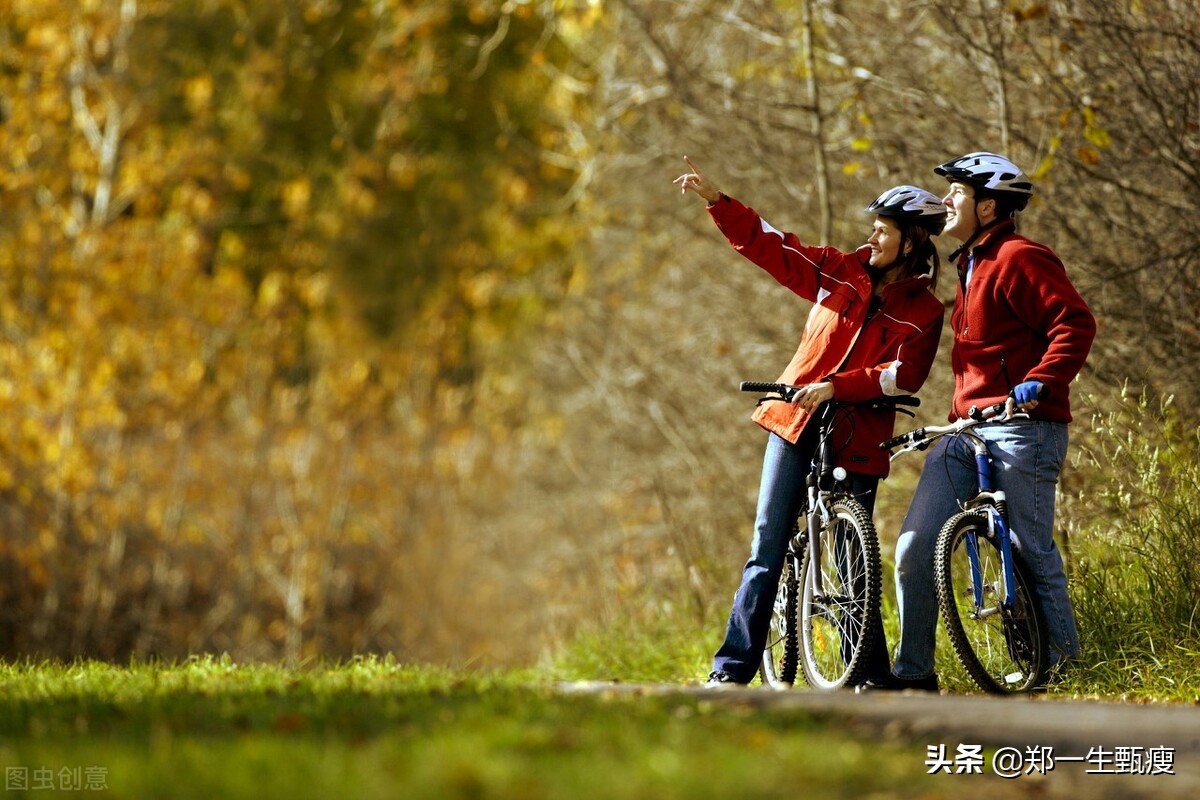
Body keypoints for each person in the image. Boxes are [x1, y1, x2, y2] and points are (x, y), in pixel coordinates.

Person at [674, 156, 946, 687]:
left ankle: (868, 673)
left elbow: (904, 376)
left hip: (858, 435)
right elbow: (774, 248)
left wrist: (838, 386)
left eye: (883, 231)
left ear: (911, 241)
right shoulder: (839, 272)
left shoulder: (926, 312)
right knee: (767, 547)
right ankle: (731, 669)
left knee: (853, 560)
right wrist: (719, 203)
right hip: (795, 421)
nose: (871, 238)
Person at [865, 152, 1097, 692]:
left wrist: (1042, 379)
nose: (945, 200)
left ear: (988, 206)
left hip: (1023, 427)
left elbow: (1074, 323)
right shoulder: (968, 264)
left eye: (957, 193)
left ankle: (1064, 673)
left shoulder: (1019, 257)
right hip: (965, 429)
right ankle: (914, 673)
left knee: (1029, 549)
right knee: (915, 547)